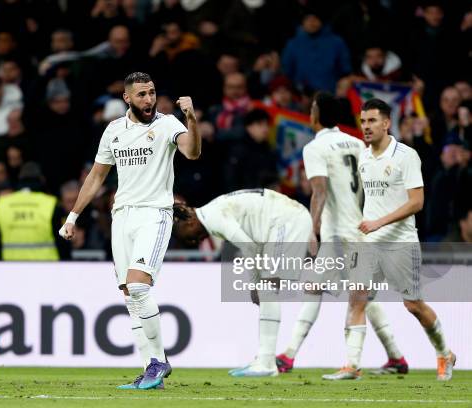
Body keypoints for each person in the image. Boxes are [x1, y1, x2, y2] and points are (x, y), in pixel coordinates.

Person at [60, 72, 200, 390]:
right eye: (141, 95)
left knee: (139, 288)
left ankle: (158, 362)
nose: (149, 99)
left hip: (154, 214)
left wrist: (191, 118)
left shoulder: (167, 125)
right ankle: (152, 369)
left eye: (152, 93)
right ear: (127, 98)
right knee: (129, 297)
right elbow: (96, 178)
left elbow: (192, 152)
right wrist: (72, 216)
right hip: (121, 217)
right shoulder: (114, 131)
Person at [323, 98, 455, 381]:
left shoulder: (405, 155)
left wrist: (378, 222)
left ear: (386, 123)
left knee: (413, 306)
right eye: (363, 121)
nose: (366, 127)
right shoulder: (363, 157)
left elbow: (417, 202)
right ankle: (352, 366)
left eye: (371, 121)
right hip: (368, 241)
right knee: (357, 298)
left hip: (400, 242)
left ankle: (445, 353)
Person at [277, 92, 408, 375]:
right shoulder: (358, 143)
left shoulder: (316, 147)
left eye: (311, 107)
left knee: (347, 296)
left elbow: (319, 190)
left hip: (339, 235)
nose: (309, 112)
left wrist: (312, 229)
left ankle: (313, 359)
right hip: (360, 229)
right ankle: (396, 357)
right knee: (356, 295)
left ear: (317, 114)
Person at [173, 188, 313, 377]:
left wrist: (255, 283)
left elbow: (249, 247)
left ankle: (266, 362)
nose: (196, 240)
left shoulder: (214, 216)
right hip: (284, 219)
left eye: (190, 236)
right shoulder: (212, 213)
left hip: (285, 221)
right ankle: (265, 359)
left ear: (189, 220)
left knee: (267, 288)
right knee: (268, 289)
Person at [0, 162, 67, 261]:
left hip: (10, 269)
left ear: (19, 179)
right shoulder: (51, 203)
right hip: (46, 269)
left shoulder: (3, 203)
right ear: (42, 179)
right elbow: (62, 242)